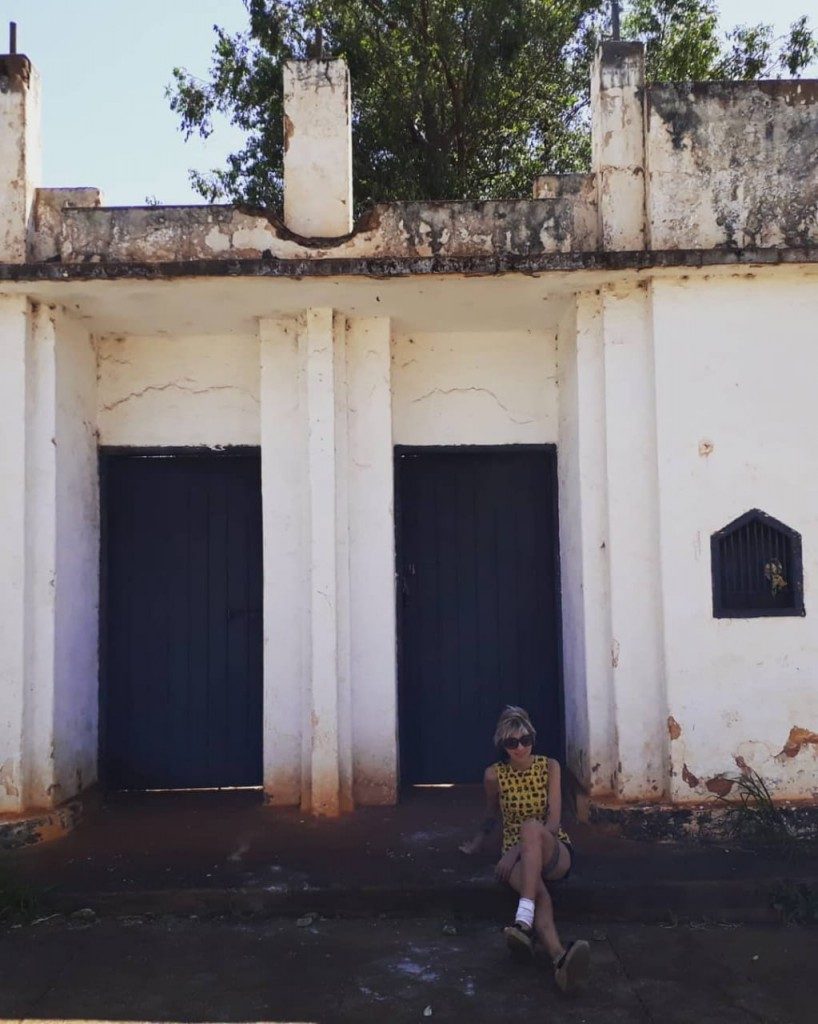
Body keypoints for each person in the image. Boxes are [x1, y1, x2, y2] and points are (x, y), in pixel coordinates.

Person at [460, 705, 590, 993]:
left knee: (532, 827)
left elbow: (553, 823)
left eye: (525, 740)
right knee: (537, 891)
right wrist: (477, 842)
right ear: (502, 745)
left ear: (532, 738)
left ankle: (522, 922)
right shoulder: (494, 776)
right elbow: (491, 813)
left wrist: (514, 850)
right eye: (512, 743)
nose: (520, 748)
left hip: (552, 849)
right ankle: (559, 958)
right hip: (517, 857)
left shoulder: (550, 767)